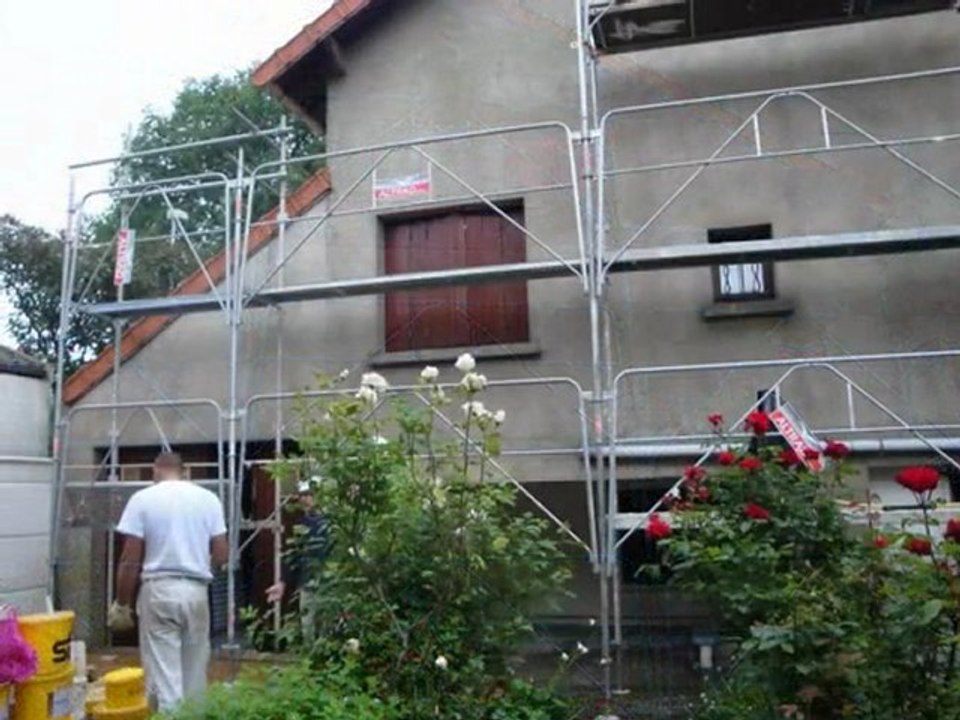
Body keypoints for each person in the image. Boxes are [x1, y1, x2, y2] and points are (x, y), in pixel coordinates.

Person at [107, 452, 228, 712]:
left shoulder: (143, 499)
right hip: (196, 591)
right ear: (184, 471)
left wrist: (122, 603)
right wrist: (200, 567)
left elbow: (130, 559)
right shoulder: (209, 499)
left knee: (165, 680)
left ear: (155, 470)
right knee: (195, 677)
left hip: (159, 590)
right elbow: (222, 553)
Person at [265, 478, 330, 642]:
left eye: (309, 494)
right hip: (308, 582)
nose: (305, 499)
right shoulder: (301, 525)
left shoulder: (331, 523)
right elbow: (293, 555)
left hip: (329, 583)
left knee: (327, 630)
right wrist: (282, 582)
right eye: (302, 495)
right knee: (308, 628)